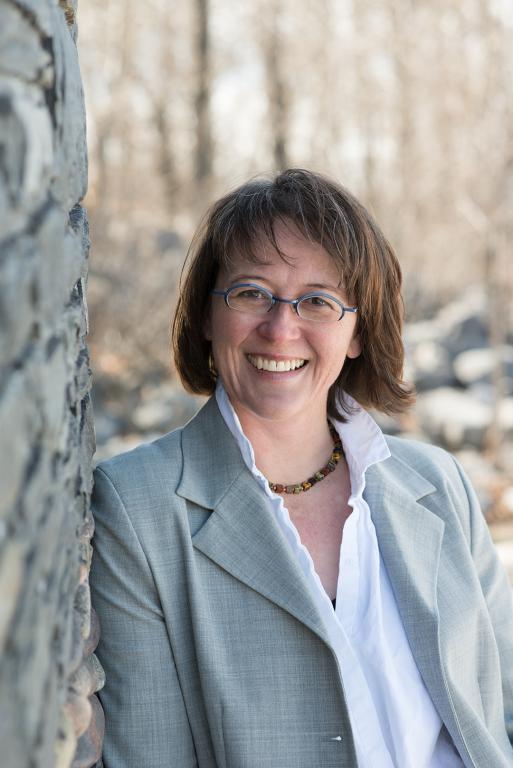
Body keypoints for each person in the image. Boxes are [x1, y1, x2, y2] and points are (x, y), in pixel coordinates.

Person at [90, 168, 513, 768]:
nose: (280, 328)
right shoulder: (137, 511)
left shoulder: (439, 484)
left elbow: (503, 707)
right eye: (251, 293)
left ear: (358, 330)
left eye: (318, 301)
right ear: (207, 315)